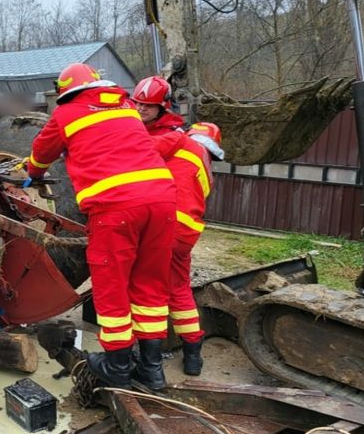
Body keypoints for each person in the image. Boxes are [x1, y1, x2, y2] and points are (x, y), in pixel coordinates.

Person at [24, 63, 177, 391]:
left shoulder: (66, 114)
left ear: (65, 91)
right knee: (150, 285)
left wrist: (32, 173)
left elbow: (40, 154)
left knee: (111, 285)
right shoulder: (126, 107)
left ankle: (117, 365)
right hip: (163, 203)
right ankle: (152, 370)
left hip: (116, 208)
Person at [149, 120, 223, 377]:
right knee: (179, 290)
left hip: (162, 226)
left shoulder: (180, 145)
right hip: (186, 235)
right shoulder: (207, 170)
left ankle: (151, 359)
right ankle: (193, 356)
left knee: (151, 293)